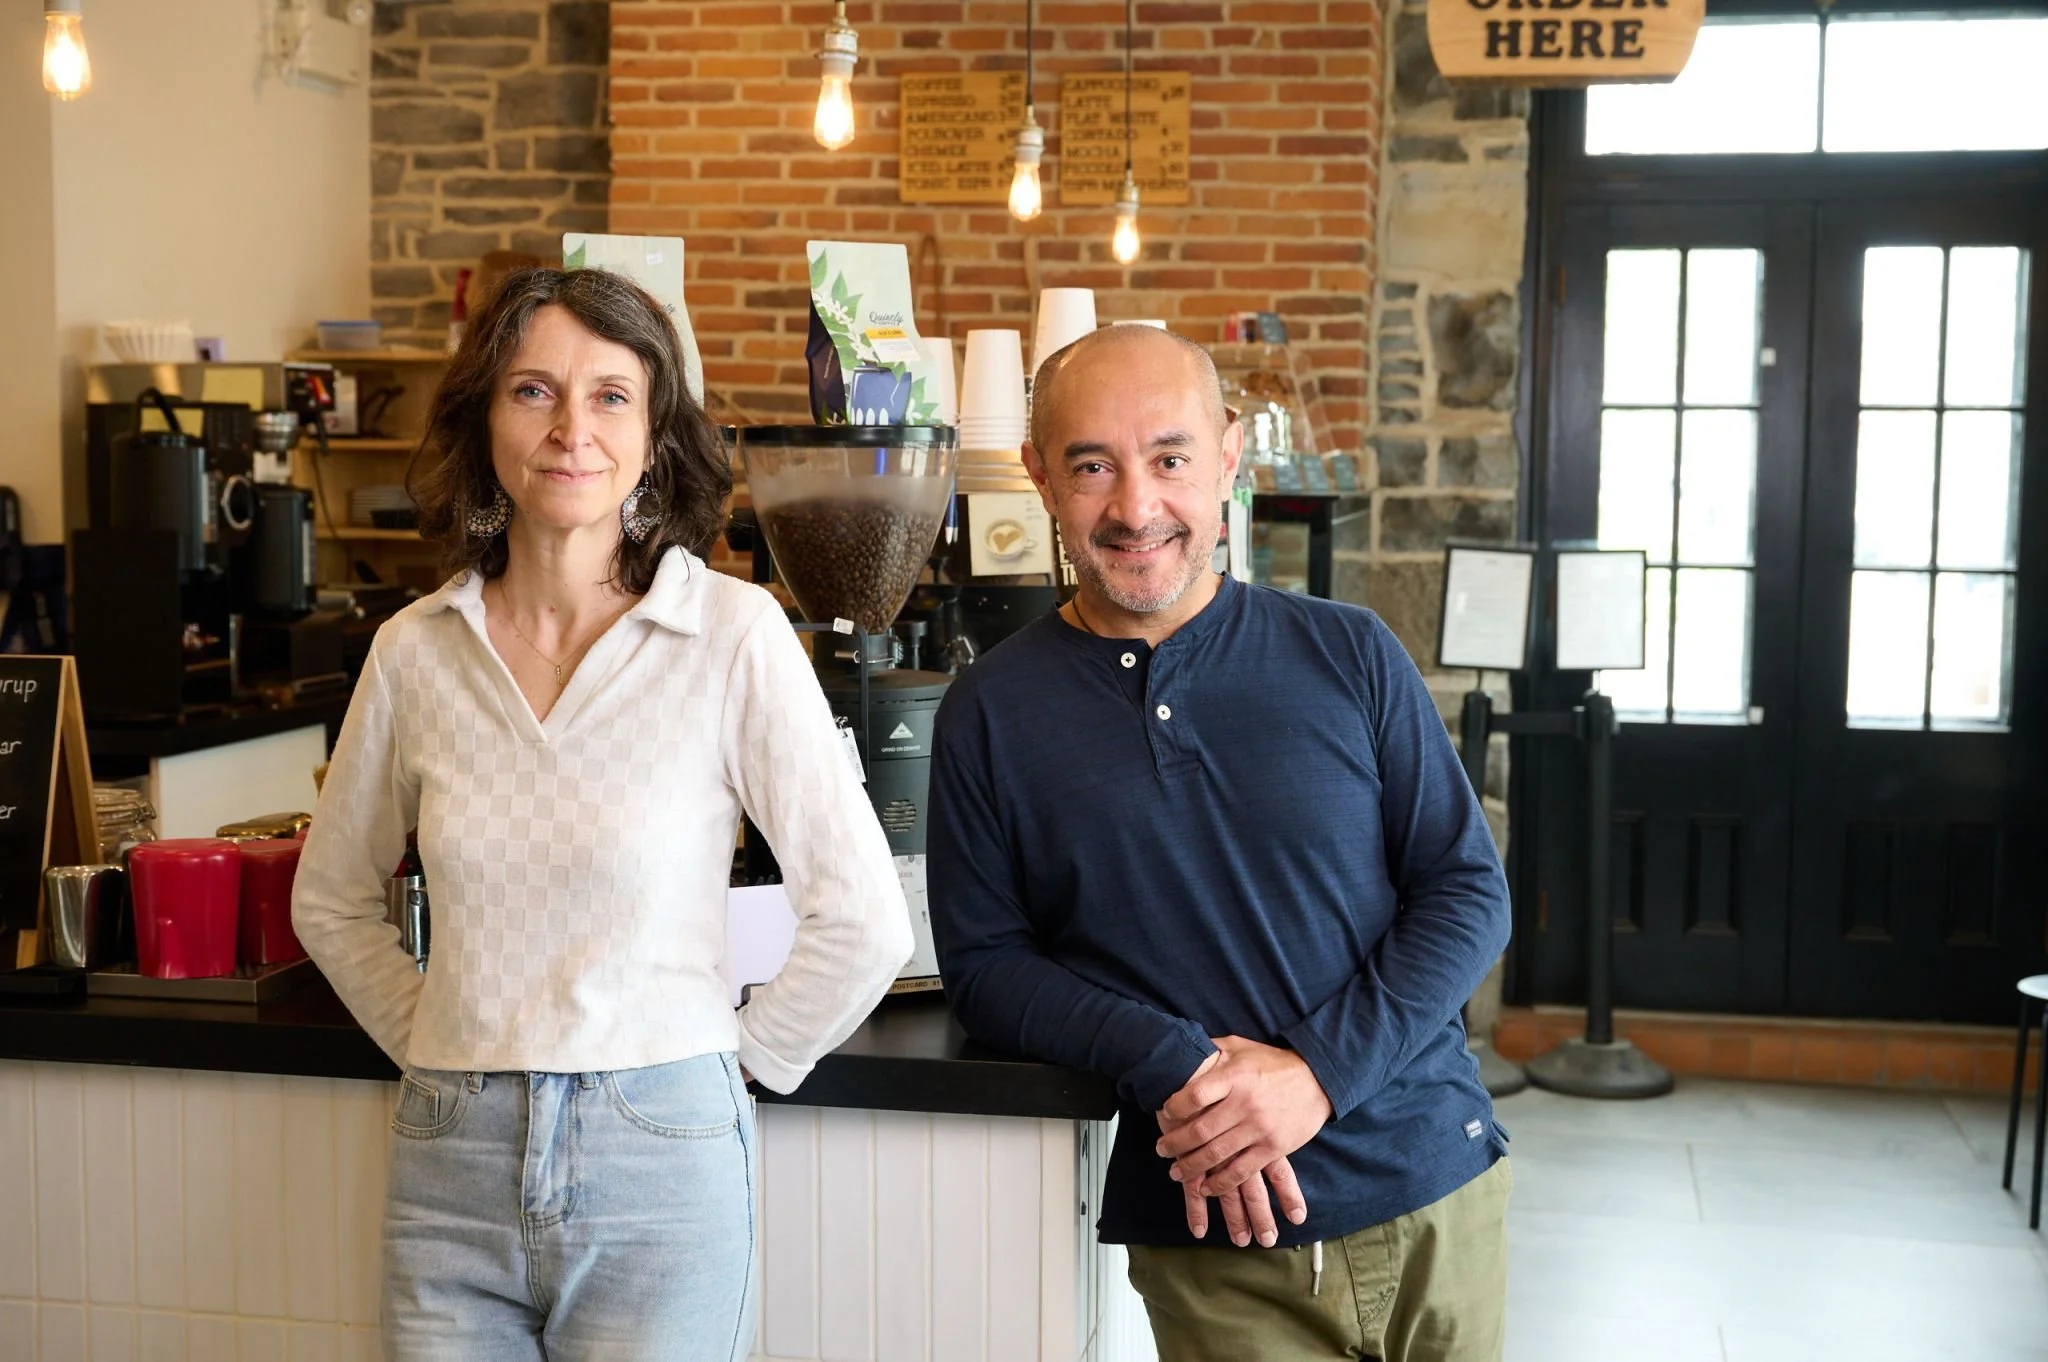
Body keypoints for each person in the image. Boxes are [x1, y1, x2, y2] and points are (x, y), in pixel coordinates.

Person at [293, 267, 911, 1362]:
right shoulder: (415, 650)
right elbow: (332, 900)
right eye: (533, 391)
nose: (571, 429)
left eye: (610, 396)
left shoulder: (731, 633)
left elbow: (863, 918)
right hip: (449, 1164)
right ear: (483, 416)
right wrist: (441, 1045)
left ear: (656, 430)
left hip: (661, 1160)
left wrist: (724, 1070)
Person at [927, 324, 1514, 1361]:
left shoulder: (1348, 653)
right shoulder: (988, 709)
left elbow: (1465, 892)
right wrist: (1166, 1057)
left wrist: (1315, 1074)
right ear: (1036, 475)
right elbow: (986, 968)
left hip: (1431, 1182)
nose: (1134, 507)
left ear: (1228, 455)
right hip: (1210, 1225)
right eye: (1090, 465)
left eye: (1169, 458)